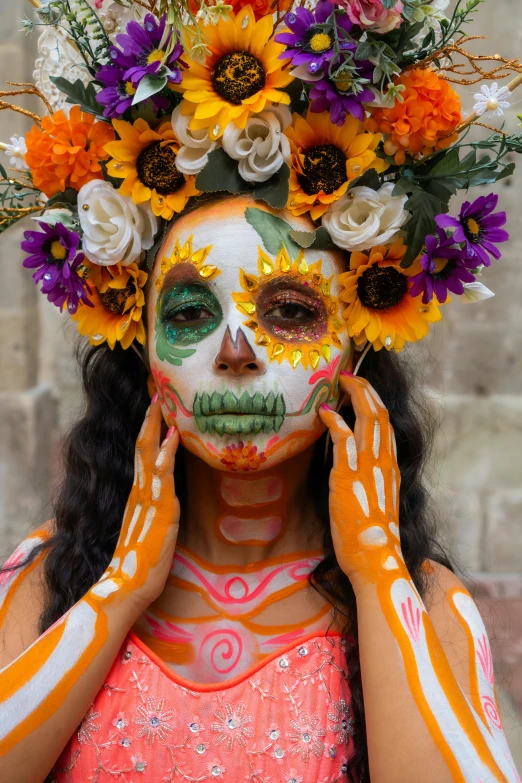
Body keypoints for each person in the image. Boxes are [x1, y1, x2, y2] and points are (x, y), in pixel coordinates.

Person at [0, 1, 521, 781]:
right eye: (189, 311)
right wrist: (116, 593)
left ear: (356, 343)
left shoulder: (423, 601)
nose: (236, 352)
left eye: (288, 310)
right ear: (142, 352)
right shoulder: (52, 576)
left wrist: (377, 571)